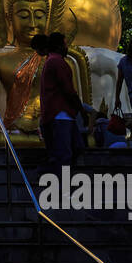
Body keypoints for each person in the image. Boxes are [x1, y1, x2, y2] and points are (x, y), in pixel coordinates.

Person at [39, 32, 86, 175]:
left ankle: (57, 175)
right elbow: (68, 89)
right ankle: (61, 186)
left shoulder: (52, 61)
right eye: (66, 44)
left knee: (77, 147)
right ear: (59, 46)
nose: (67, 48)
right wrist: (82, 110)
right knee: (64, 154)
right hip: (59, 113)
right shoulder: (56, 62)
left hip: (62, 113)